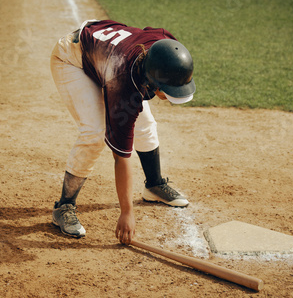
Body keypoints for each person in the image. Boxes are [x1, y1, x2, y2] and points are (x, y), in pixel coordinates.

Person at [50, 19, 195, 245]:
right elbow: (121, 157)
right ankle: (64, 206)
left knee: (145, 124)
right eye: (168, 91)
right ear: (153, 83)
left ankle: (154, 185)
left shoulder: (165, 48)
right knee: (94, 133)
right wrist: (127, 212)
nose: (170, 95)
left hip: (104, 54)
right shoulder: (123, 84)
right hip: (72, 58)